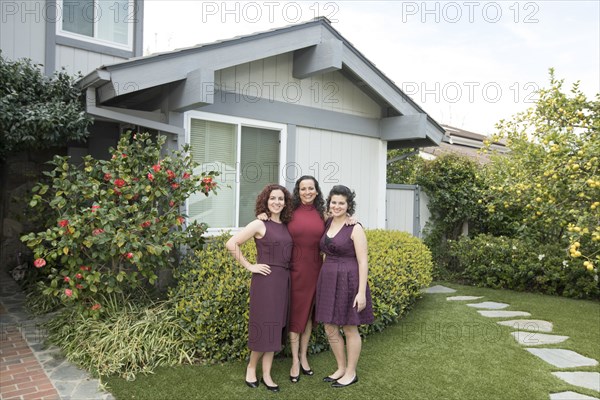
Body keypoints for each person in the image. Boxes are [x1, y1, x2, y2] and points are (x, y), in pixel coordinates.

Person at [226, 184, 294, 393]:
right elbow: (231, 243)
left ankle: (267, 374)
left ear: (285, 202)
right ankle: (251, 367)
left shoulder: (285, 224)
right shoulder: (259, 223)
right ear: (266, 200)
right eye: (273, 198)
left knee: (276, 326)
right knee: (264, 325)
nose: (277, 202)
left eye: (280, 199)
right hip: (265, 281)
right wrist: (250, 266)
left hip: (283, 280)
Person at [315, 185, 374, 388]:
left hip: (349, 281)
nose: (337, 206)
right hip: (328, 279)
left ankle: (351, 372)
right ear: (329, 203)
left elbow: (363, 262)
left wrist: (361, 292)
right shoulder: (327, 221)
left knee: (349, 327)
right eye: (334, 202)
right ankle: (340, 367)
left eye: (342, 203)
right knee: (329, 325)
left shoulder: (355, 228)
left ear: (348, 205)